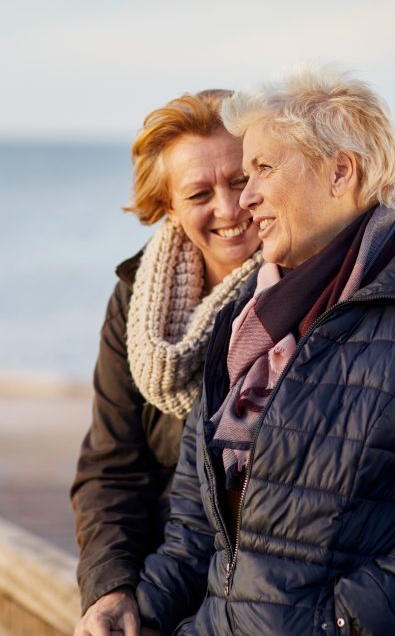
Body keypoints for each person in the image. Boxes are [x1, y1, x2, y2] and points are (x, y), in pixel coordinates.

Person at [136, 65, 395, 635]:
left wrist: (333, 625)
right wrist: (139, 613)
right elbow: (196, 526)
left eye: (263, 169)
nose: (245, 198)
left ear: (340, 171)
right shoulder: (242, 319)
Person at [70, 89, 262, 636]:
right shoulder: (137, 302)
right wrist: (112, 587)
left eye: (242, 180)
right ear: (167, 205)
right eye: (200, 191)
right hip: (158, 575)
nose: (228, 209)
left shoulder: (300, 292)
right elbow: (111, 465)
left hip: (257, 590)